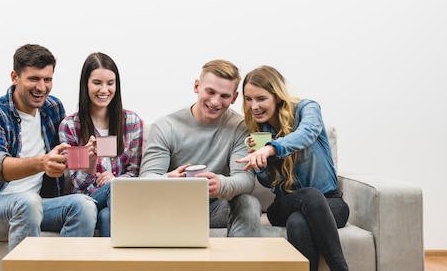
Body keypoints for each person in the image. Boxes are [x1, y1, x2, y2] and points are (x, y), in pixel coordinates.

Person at [0, 44, 97, 258]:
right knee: (27, 201)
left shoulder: (53, 108)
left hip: (38, 204)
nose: (42, 87)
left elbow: (61, 156)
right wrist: (42, 163)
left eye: (48, 79)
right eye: (33, 79)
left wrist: (86, 155)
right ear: (14, 77)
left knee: (84, 205)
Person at [237, 65, 349, 271]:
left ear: (277, 96)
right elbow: (268, 182)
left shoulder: (308, 109)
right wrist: (260, 165)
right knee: (307, 198)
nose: (253, 106)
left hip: (329, 201)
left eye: (261, 98)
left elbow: (307, 132)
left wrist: (272, 149)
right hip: (284, 205)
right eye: (248, 99)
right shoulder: (257, 131)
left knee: (299, 222)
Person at [139, 59, 261, 237]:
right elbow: (146, 179)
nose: (215, 101)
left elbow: (245, 179)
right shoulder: (166, 126)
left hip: (216, 207)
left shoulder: (240, 127)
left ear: (234, 98)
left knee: (249, 203)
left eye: (224, 96)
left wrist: (221, 185)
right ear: (197, 86)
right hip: (172, 208)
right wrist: (168, 180)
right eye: (210, 91)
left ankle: (238, 265)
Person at [58, 52, 144, 237]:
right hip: (87, 200)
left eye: (110, 83)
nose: (104, 90)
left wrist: (116, 180)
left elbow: (136, 171)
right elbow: (77, 184)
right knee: (112, 192)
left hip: (120, 198)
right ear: (86, 84)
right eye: (97, 83)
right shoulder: (71, 126)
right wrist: (90, 165)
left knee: (106, 215)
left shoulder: (131, 121)